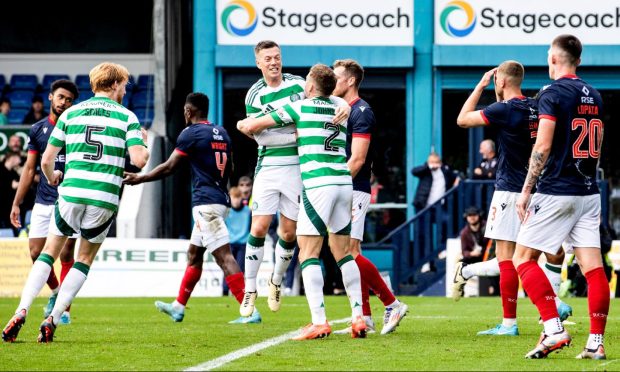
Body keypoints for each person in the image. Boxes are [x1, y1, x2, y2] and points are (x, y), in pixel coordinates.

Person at [1, 62, 149, 343]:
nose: (126, 90)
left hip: (70, 193)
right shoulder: (127, 117)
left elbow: (46, 160)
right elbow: (139, 161)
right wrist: (144, 142)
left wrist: (53, 175)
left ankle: (21, 310)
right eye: (124, 85)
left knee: (48, 253)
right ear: (116, 84)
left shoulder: (71, 113)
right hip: (104, 197)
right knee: (83, 258)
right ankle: (53, 318)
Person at [238, 63, 366, 340]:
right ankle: (358, 318)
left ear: (309, 87)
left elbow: (255, 124)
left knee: (308, 253)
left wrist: (242, 123)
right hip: (344, 182)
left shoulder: (300, 108)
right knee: (343, 252)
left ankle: (319, 321)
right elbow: (339, 102)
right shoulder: (339, 106)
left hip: (318, 184)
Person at [453, 61, 572, 336]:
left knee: (507, 259)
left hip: (509, 190)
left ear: (501, 81)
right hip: (537, 189)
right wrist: (497, 91)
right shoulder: (535, 106)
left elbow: (462, 119)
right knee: (543, 252)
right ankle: (555, 303)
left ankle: (509, 324)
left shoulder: (504, 109)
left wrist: (481, 85)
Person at [513, 35, 608, 359]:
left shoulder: (551, 93)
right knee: (594, 269)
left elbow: (542, 145)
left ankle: (554, 329)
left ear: (553, 59)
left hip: (557, 189)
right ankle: (595, 343)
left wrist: (526, 190)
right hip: (588, 191)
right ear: (578, 60)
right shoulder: (594, 95)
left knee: (522, 259)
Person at [124, 92, 246, 323]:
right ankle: (179, 307)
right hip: (219, 199)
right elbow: (230, 168)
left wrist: (141, 177)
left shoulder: (190, 133)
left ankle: (249, 309)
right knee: (194, 254)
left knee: (224, 257)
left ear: (189, 111)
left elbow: (170, 167)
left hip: (206, 203)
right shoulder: (222, 133)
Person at [330, 58, 408, 336]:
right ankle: (364, 317)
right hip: (346, 187)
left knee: (349, 252)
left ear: (350, 80)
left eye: (336, 77)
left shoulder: (361, 111)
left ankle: (392, 303)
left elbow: (359, 158)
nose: (332, 81)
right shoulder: (342, 110)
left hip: (354, 188)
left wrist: (333, 185)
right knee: (350, 253)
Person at [9, 79, 80, 324]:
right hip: (43, 201)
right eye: (61, 97)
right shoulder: (38, 129)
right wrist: (17, 203)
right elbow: (29, 169)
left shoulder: (75, 129)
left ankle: (64, 309)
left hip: (68, 200)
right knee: (36, 252)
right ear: (50, 97)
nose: (64, 103)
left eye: (69, 100)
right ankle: (57, 291)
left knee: (67, 252)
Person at [223, 186, 251, 295]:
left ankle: (239, 291)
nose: (236, 200)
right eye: (233, 197)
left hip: (243, 244)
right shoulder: (227, 211)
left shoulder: (248, 211)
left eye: (237, 197)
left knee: (240, 269)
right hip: (229, 243)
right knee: (227, 268)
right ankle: (225, 290)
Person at [0, 152, 21, 234]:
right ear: (13, 158)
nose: (19, 161)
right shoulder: (1, 169)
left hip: (9, 207)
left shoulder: (13, 173)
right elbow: (13, 185)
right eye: (18, 158)